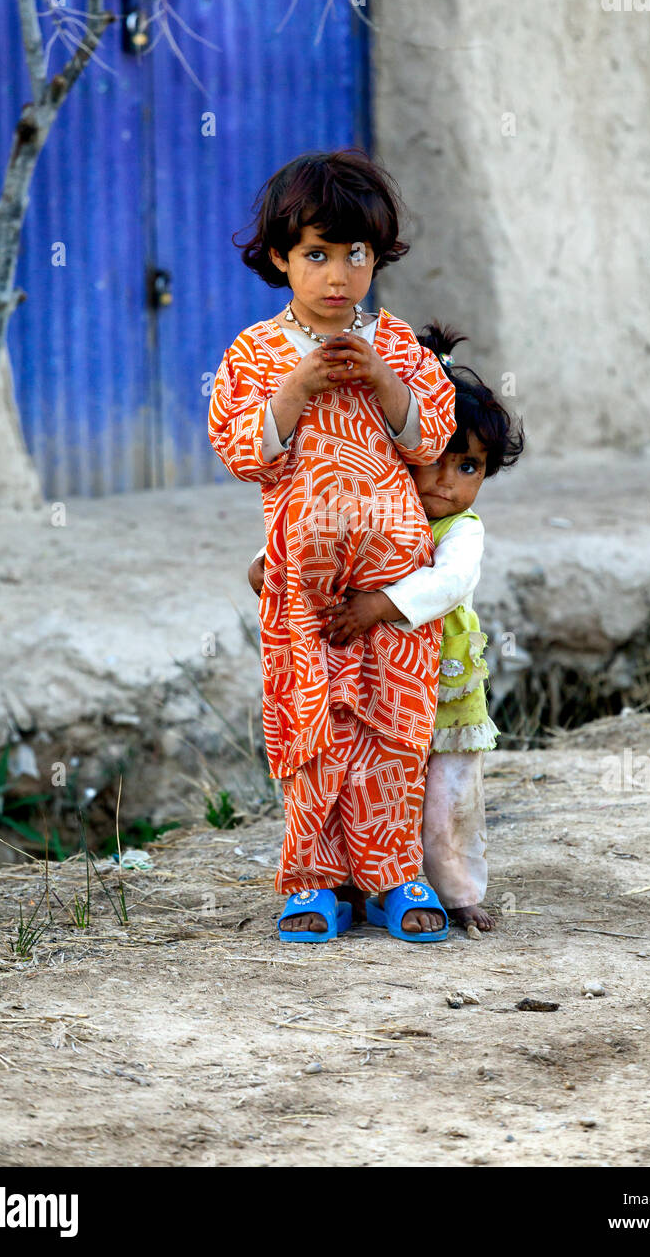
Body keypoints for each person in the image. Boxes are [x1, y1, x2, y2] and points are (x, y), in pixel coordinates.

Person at [209, 150, 457, 943]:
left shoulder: (399, 346)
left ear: (377, 259)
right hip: (303, 590)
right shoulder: (254, 353)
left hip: (393, 583)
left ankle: (393, 874)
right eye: (317, 254)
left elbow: (431, 443)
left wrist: (385, 382)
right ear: (280, 257)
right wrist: (295, 391)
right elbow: (241, 451)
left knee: (394, 727)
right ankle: (313, 880)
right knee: (311, 729)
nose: (338, 274)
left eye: (357, 255)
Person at [316, 322, 525, 930]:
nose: (448, 482)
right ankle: (366, 885)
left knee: (447, 800)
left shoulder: (462, 530)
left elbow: (450, 583)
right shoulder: (379, 507)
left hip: (443, 695)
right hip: (379, 693)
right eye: (435, 460)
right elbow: (314, 528)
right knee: (373, 789)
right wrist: (265, 563)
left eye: (470, 468)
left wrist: (378, 606)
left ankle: (459, 892)